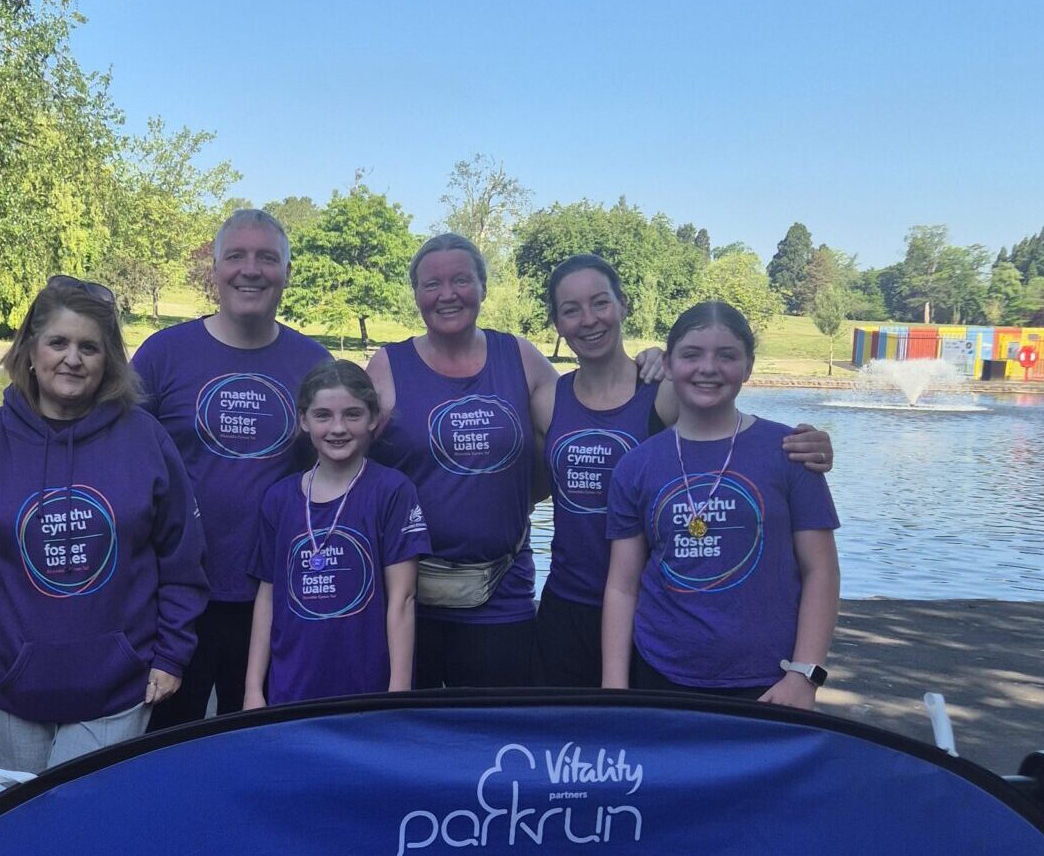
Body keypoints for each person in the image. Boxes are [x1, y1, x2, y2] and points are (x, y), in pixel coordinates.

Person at [535, 256, 836, 687]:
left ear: (623, 305)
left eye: (600, 303)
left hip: (654, 608)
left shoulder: (665, 392)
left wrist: (810, 447)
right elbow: (518, 484)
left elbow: (722, 421)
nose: (588, 320)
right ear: (556, 322)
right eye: (571, 309)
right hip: (570, 602)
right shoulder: (548, 400)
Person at [0, 276, 208, 770]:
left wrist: (171, 654)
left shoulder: (145, 439)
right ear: (31, 350)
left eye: (89, 347)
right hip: (12, 678)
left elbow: (182, 556)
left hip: (118, 679)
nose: (72, 359)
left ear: (108, 360)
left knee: (84, 826)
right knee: (21, 828)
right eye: (58, 342)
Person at [135, 209, 331, 726]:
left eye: (268, 258)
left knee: (260, 744)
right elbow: (118, 464)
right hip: (176, 599)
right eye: (236, 257)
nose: (251, 270)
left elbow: (343, 476)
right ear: (215, 269)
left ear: (287, 272)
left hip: (277, 595)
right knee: (167, 750)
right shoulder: (162, 355)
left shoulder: (314, 364)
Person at [602, 300, 841, 705]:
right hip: (660, 673)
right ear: (669, 363)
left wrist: (805, 674)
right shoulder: (637, 465)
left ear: (748, 366)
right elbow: (623, 587)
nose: (707, 368)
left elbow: (821, 570)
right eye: (691, 354)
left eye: (726, 355)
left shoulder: (791, 453)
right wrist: (614, 689)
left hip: (769, 679)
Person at [366, 234, 555, 687]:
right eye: (432, 284)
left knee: (497, 738)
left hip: (502, 590)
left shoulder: (521, 357)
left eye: (461, 280)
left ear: (484, 288)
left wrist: (648, 370)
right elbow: (350, 468)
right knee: (411, 737)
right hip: (406, 596)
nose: (447, 295)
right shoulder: (387, 366)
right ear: (415, 295)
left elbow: (575, 435)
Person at [243, 360, 429, 707]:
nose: (338, 428)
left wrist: (398, 693)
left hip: (367, 688)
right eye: (323, 415)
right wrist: (253, 688)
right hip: (293, 686)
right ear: (304, 420)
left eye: (353, 415)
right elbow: (267, 597)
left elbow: (402, 599)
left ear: (373, 418)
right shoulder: (279, 499)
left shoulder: (392, 491)